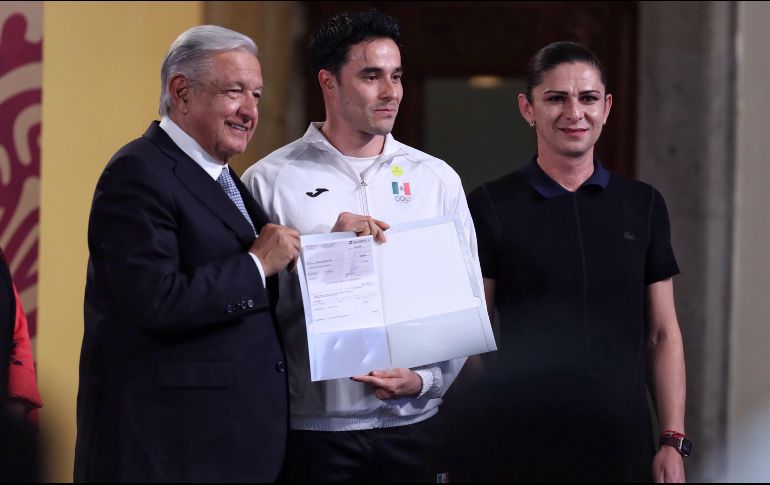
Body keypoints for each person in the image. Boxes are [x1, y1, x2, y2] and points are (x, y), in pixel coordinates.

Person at [241, 10, 479, 482]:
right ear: (329, 82)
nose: (390, 92)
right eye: (371, 76)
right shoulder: (269, 180)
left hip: (417, 427)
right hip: (311, 433)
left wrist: (425, 381)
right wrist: (317, 251)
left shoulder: (437, 179)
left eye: (396, 76)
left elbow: (466, 303)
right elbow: (245, 306)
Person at [74, 25, 300, 482]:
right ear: (181, 92)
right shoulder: (138, 172)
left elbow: (255, 260)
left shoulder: (222, 177)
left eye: (256, 95)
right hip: (168, 449)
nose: (250, 111)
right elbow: (155, 301)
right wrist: (257, 264)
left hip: (224, 445)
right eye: (235, 92)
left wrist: (331, 246)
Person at [466, 41, 688, 482]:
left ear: (606, 107)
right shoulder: (491, 204)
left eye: (587, 98)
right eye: (555, 98)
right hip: (519, 445)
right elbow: (473, 335)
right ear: (527, 108)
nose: (574, 112)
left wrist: (672, 441)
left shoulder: (642, 205)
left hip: (623, 445)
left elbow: (663, 334)